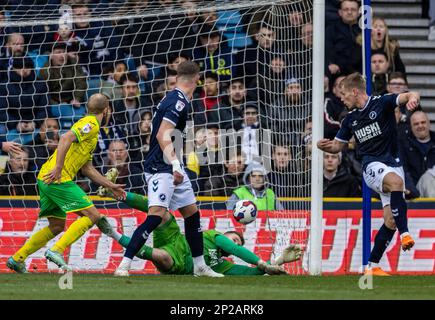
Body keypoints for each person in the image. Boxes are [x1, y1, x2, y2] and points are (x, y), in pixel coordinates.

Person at [114, 61, 223, 277]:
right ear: (196, 78)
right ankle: (124, 264)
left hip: (171, 163)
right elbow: (162, 134)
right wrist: (174, 164)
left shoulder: (173, 97)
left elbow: (169, 135)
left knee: (192, 214)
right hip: (160, 166)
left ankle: (200, 266)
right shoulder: (179, 102)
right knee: (156, 216)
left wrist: (186, 148)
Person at [6, 94, 125, 273]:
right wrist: (60, 168)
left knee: (56, 226)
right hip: (57, 178)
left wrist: (110, 185)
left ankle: (17, 259)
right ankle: (56, 250)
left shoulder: (90, 131)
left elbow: (87, 169)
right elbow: (65, 138)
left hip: (46, 178)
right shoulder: (91, 124)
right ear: (107, 110)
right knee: (92, 215)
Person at [317, 72, 420, 276]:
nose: (341, 97)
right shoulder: (349, 119)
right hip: (372, 167)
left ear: (355, 91)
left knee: (390, 220)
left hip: (392, 164)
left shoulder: (382, 103)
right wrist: (326, 147)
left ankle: (371, 265)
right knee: (397, 183)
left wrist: (414, 98)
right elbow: (338, 146)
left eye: (344, 93)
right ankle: (406, 233)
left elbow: (408, 95)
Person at [98, 210, 299, 276]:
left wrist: (279, 261)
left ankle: (114, 234)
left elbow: (248, 273)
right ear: (225, 234)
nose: (235, 242)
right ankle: (124, 197)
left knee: (160, 256)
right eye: (234, 237)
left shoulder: (222, 264)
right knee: (162, 213)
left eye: (238, 240)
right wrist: (260, 261)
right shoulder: (213, 235)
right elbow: (234, 249)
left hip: (176, 263)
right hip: (175, 241)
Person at [399, 111, 435, 186]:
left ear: (429, 123)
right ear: (411, 127)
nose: (420, 126)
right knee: (427, 179)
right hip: (416, 189)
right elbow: (404, 171)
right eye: (416, 124)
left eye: (423, 122)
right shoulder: (404, 145)